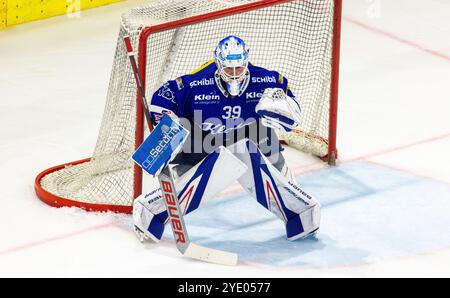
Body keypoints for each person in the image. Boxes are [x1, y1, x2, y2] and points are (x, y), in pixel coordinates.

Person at [133, 35, 320, 243]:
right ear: (218, 63)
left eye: (238, 69)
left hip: (253, 140)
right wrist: (168, 131)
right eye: (228, 69)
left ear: (246, 63)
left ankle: (298, 215)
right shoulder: (197, 83)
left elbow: (292, 113)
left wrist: (280, 110)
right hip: (201, 144)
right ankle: (150, 212)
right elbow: (162, 98)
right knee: (206, 168)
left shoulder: (265, 81)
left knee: (253, 152)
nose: (233, 75)